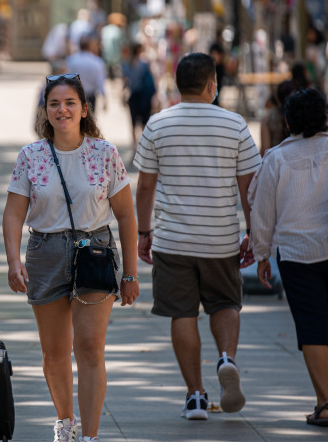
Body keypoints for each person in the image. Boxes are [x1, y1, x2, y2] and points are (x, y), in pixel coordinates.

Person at [3, 73, 139, 442]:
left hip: (94, 251)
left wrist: (130, 273)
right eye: (54, 104)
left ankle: (91, 436)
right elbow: (14, 213)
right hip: (45, 253)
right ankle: (66, 421)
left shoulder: (105, 153)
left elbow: (126, 214)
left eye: (69, 103)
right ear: (45, 111)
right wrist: (13, 261)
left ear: (84, 109)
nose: (62, 110)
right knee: (55, 351)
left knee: (91, 347)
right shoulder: (31, 156)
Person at [134, 52, 261, 421]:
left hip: (173, 240)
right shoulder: (234, 124)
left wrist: (144, 232)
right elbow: (248, 187)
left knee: (181, 313)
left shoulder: (158, 124)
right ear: (211, 85)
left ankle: (195, 397)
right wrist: (253, 232)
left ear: (177, 85)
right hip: (221, 236)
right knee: (225, 303)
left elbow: (144, 187)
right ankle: (226, 357)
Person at [249, 87, 328, 428]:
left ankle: (325, 403)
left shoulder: (277, 158)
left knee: (312, 327)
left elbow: (263, 213)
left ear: (287, 121)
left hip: (296, 255)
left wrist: (261, 254)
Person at [121, 43, 157, 152]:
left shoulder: (126, 64)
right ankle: (144, 147)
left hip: (133, 95)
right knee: (144, 122)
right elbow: (152, 78)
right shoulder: (145, 63)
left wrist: (121, 95)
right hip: (144, 95)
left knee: (133, 123)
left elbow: (125, 81)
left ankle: (134, 147)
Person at [66, 35, 107, 113]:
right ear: (90, 46)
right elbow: (100, 82)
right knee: (89, 121)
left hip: (75, 95)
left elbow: (66, 79)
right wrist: (104, 98)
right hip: (90, 97)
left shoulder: (71, 60)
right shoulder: (97, 62)